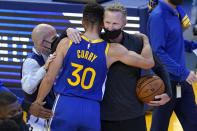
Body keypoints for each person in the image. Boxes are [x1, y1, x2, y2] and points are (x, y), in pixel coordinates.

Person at [34, 3, 155, 131]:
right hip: (91, 108)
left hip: (65, 103)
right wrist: (146, 41)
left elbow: (49, 78)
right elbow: (148, 63)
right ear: (102, 24)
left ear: (82, 22)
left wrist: (38, 102)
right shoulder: (112, 50)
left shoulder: (66, 43)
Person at [66, 2, 171, 131]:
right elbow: (60, 45)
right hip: (101, 115)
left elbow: (159, 67)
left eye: (115, 23)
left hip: (133, 115)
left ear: (124, 23)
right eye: (107, 22)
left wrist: (168, 93)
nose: (110, 27)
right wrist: (67, 32)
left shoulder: (137, 42)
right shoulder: (94, 42)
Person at [147, 0, 197, 131]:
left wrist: (192, 46)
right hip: (165, 84)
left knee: (194, 124)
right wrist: (184, 72)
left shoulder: (176, 11)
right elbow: (157, 53)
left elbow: (174, 40)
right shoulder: (158, 16)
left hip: (182, 83)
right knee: (159, 127)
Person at [21, 23, 56, 131]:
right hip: (37, 119)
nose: (57, 42)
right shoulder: (31, 61)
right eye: (54, 39)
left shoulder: (47, 56)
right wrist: (44, 68)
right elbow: (27, 88)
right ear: (42, 43)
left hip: (46, 115)